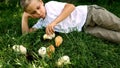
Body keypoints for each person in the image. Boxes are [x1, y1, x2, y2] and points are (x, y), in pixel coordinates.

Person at [20, 0, 120, 43]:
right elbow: (26, 34)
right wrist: (24, 17)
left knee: (116, 24)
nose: (38, 12)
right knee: (112, 37)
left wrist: (54, 22)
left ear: (41, 2)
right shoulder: (41, 23)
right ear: (31, 15)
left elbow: (71, 7)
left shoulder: (50, 6)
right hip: (85, 28)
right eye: (33, 12)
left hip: (90, 14)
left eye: (38, 7)